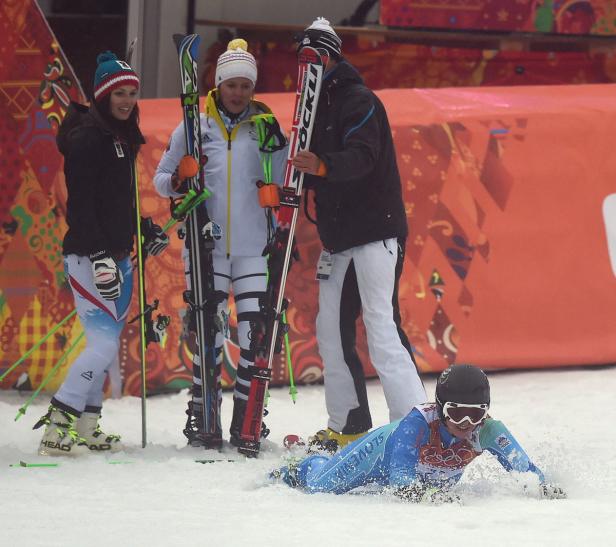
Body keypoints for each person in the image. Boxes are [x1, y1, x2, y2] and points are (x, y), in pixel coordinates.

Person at [291, 18, 426, 449]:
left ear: (327, 58)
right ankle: (347, 424)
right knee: (330, 329)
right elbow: (314, 167)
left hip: (375, 231)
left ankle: (414, 425)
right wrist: (292, 183)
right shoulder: (313, 107)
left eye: (310, 58)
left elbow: (362, 157)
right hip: (339, 237)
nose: (304, 67)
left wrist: (323, 166)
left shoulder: (358, 99)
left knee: (380, 324)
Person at [154, 39, 287, 449]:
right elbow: (162, 180)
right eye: (232, 85)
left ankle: (246, 421)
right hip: (206, 247)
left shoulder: (264, 125)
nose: (238, 93)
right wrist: (180, 178)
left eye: (246, 85)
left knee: (253, 336)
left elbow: (284, 180)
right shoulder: (195, 125)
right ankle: (203, 417)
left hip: (251, 248)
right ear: (219, 84)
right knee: (208, 334)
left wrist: (276, 178)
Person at [34, 52, 169, 456]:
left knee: (105, 343)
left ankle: (87, 425)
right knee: (103, 345)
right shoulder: (88, 138)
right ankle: (59, 423)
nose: (127, 100)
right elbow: (82, 205)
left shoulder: (121, 136)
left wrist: (141, 228)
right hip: (89, 256)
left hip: (117, 253)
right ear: (103, 95)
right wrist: (97, 253)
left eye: (132, 93)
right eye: (119, 93)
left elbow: (118, 200)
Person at [271, 365, 567, 502]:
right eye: (456, 412)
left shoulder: (489, 431)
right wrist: (426, 495)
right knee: (319, 488)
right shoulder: (418, 423)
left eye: (475, 413)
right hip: (375, 457)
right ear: (440, 408)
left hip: (419, 475)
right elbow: (401, 478)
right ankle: (304, 464)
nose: (465, 423)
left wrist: (540, 486)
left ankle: (322, 458)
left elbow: (524, 469)